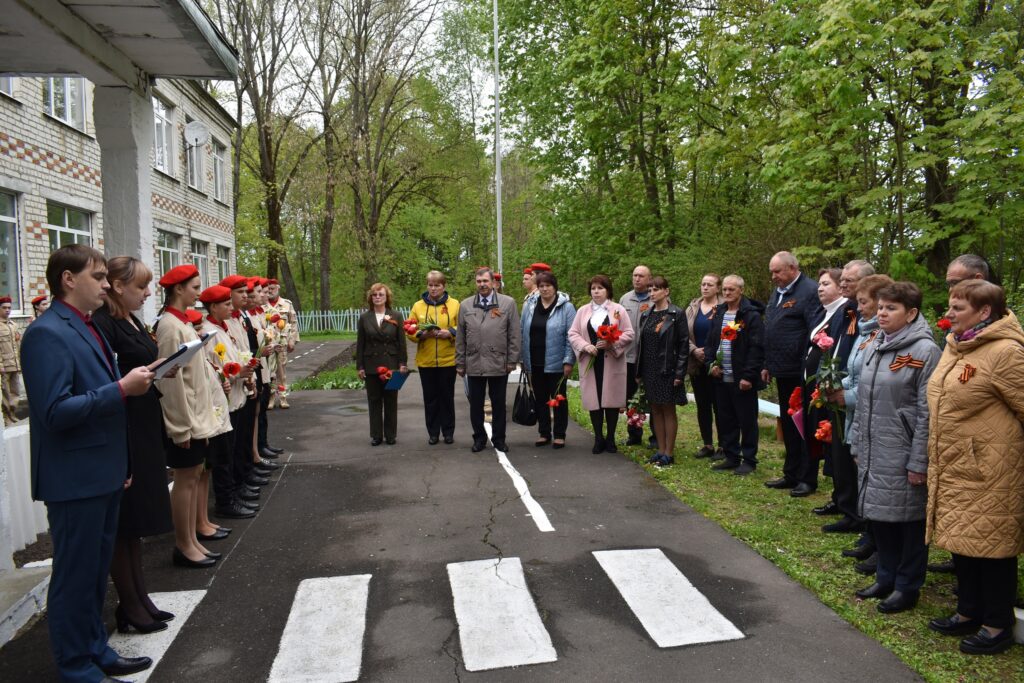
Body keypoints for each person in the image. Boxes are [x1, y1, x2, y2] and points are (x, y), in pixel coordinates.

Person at [22, 244, 156, 680]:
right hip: (74, 478)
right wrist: (121, 389)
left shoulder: (86, 325)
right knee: (74, 577)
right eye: (97, 277)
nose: (105, 284)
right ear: (68, 279)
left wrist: (123, 462)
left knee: (95, 575)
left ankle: (96, 649)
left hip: (102, 471)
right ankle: (76, 664)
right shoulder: (46, 332)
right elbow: (55, 411)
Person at [925, 280, 1024, 655]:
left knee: (992, 547)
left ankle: (996, 623)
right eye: (950, 306)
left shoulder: (1006, 352)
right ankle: (968, 611)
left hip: (992, 469)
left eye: (958, 308)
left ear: (984, 312)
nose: (949, 314)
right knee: (963, 542)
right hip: (954, 464)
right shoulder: (957, 346)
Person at [91, 257, 175, 634]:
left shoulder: (132, 319)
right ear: (118, 286)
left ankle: (141, 599)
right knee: (125, 521)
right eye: (141, 286)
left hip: (144, 420)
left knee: (136, 521)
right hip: (126, 424)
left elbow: (141, 362)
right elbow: (111, 377)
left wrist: (163, 366)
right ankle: (129, 606)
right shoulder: (105, 324)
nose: (147, 293)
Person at [849, 281, 940, 614]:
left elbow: (926, 411)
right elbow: (864, 401)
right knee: (882, 519)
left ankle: (907, 585)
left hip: (903, 451)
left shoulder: (924, 351)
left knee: (908, 522)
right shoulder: (876, 343)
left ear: (911, 313)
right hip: (875, 448)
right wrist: (858, 440)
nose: (883, 313)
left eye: (891, 308)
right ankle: (885, 576)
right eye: (882, 307)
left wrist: (919, 461)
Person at [155, 264, 223, 569]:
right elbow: (170, 381)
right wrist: (180, 427)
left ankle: (193, 540)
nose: (199, 292)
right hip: (186, 419)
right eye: (194, 287)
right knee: (184, 480)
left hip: (196, 415)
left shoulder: (181, 323)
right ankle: (183, 545)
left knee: (194, 476)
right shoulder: (170, 326)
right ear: (178, 289)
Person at [828, 274, 892, 566]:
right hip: (857, 415)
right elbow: (856, 371)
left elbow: (877, 383)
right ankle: (870, 534)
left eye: (865, 302)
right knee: (861, 477)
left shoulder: (882, 336)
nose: (863, 307)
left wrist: (847, 396)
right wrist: (834, 383)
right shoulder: (866, 332)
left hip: (869, 416)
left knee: (874, 481)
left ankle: (879, 543)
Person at [762, 251, 823, 493]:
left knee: (803, 425)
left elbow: (814, 331)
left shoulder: (809, 291)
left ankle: (807, 478)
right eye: (771, 272)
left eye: (777, 271)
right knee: (788, 423)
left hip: (800, 370)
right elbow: (771, 327)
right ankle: (791, 472)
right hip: (781, 369)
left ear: (792, 268)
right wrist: (767, 363)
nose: (773, 276)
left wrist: (806, 366)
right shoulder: (778, 291)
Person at [703, 275, 765, 475]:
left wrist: (748, 376)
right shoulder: (720, 312)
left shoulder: (750, 315)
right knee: (725, 418)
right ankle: (731, 455)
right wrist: (711, 363)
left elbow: (756, 348)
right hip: (721, 377)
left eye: (732, 290)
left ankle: (749, 459)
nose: (727, 293)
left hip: (742, 379)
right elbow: (711, 342)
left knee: (746, 420)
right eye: (725, 290)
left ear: (741, 291)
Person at [456, 267, 521, 453]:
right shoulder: (466, 305)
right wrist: (460, 362)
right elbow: (460, 336)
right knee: (475, 404)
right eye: (479, 281)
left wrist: (512, 360)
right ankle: (479, 439)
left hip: (498, 362)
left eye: (485, 281)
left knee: (499, 403)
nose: (482, 284)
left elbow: (515, 335)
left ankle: (499, 439)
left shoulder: (508, 303)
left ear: (493, 283)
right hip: (474, 362)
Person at [797, 268, 848, 497]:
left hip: (829, 385)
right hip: (812, 382)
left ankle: (832, 486)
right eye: (819, 284)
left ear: (840, 287)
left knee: (825, 431)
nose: (820, 288)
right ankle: (808, 476)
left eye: (826, 284)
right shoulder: (822, 312)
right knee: (811, 428)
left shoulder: (844, 312)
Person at [569, 274, 635, 454]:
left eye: (600, 288)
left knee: (611, 400)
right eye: (593, 288)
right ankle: (598, 437)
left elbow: (629, 333)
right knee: (594, 399)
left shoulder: (618, 310)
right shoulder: (583, 311)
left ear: (608, 290)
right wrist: (585, 346)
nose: (596, 292)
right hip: (591, 361)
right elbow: (573, 333)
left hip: (612, 360)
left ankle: (611, 438)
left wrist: (612, 343)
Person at [635, 276, 688, 467]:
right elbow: (641, 345)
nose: (652, 293)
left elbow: (683, 345)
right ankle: (660, 449)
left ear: (666, 291)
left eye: (656, 289)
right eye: (650, 290)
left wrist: (679, 374)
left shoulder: (676, 314)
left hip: (668, 369)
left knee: (668, 409)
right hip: (649, 369)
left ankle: (669, 452)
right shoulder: (646, 314)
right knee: (655, 409)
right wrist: (639, 371)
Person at [520, 271, 576, 448]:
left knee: (558, 399)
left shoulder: (566, 307)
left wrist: (568, 360)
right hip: (534, 361)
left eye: (548, 286)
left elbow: (571, 336)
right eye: (541, 286)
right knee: (541, 399)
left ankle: (560, 434)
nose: (544, 289)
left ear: (555, 287)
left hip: (557, 362)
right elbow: (522, 332)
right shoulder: (530, 305)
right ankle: (544, 432)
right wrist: (522, 359)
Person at [407, 270, 460, 445]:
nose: (433, 288)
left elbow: (463, 327)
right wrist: (421, 334)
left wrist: (450, 333)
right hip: (426, 361)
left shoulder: (455, 305)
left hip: (448, 360)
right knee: (430, 399)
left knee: (446, 397)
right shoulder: (418, 306)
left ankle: (448, 432)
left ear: (443, 286)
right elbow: (409, 328)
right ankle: (433, 433)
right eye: (430, 285)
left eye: (437, 285)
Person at [356, 283, 408, 445]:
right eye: (375, 295)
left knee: (391, 400)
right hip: (371, 365)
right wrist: (360, 366)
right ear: (370, 298)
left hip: (391, 365)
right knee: (374, 400)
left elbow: (401, 342)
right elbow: (360, 344)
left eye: (381, 295)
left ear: (387, 297)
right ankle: (376, 435)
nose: (377, 297)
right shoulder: (365, 317)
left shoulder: (396, 316)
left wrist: (402, 363)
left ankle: (391, 435)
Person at [685, 273, 724, 459]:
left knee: (720, 405)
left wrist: (710, 354)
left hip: (717, 364)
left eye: (710, 284)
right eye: (703, 284)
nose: (705, 287)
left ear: (718, 288)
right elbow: (683, 334)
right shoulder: (693, 308)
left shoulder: (724, 308)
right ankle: (707, 444)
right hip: (696, 363)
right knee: (703, 405)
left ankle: (724, 445)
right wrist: (694, 350)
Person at [620, 265, 653, 446]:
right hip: (628, 356)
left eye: (641, 276)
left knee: (653, 397)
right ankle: (634, 434)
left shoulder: (656, 298)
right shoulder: (625, 299)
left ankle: (656, 436)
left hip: (649, 358)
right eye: (635, 275)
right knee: (631, 397)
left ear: (649, 279)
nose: (637, 279)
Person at [266, 278, 298, 409]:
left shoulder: (286, 304)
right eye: (268, 289)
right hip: (268, 344)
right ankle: (271, 397)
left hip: (282, 343)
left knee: (281, 372)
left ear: (278, 288)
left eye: (272, 288)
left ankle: (283, 397)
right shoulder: (262, 305)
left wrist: (292, 340)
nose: (270, 291)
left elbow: (294, 322)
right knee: (269, 372)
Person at [0, 295, 21, 423]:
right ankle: (6, 416)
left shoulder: (13, 325)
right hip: (4, 364)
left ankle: (12, 413)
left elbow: (17, 345)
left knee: (15, 390)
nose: (7, 310)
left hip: (14, 363)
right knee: (5, 391)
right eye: (4, 308)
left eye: (9, 308)